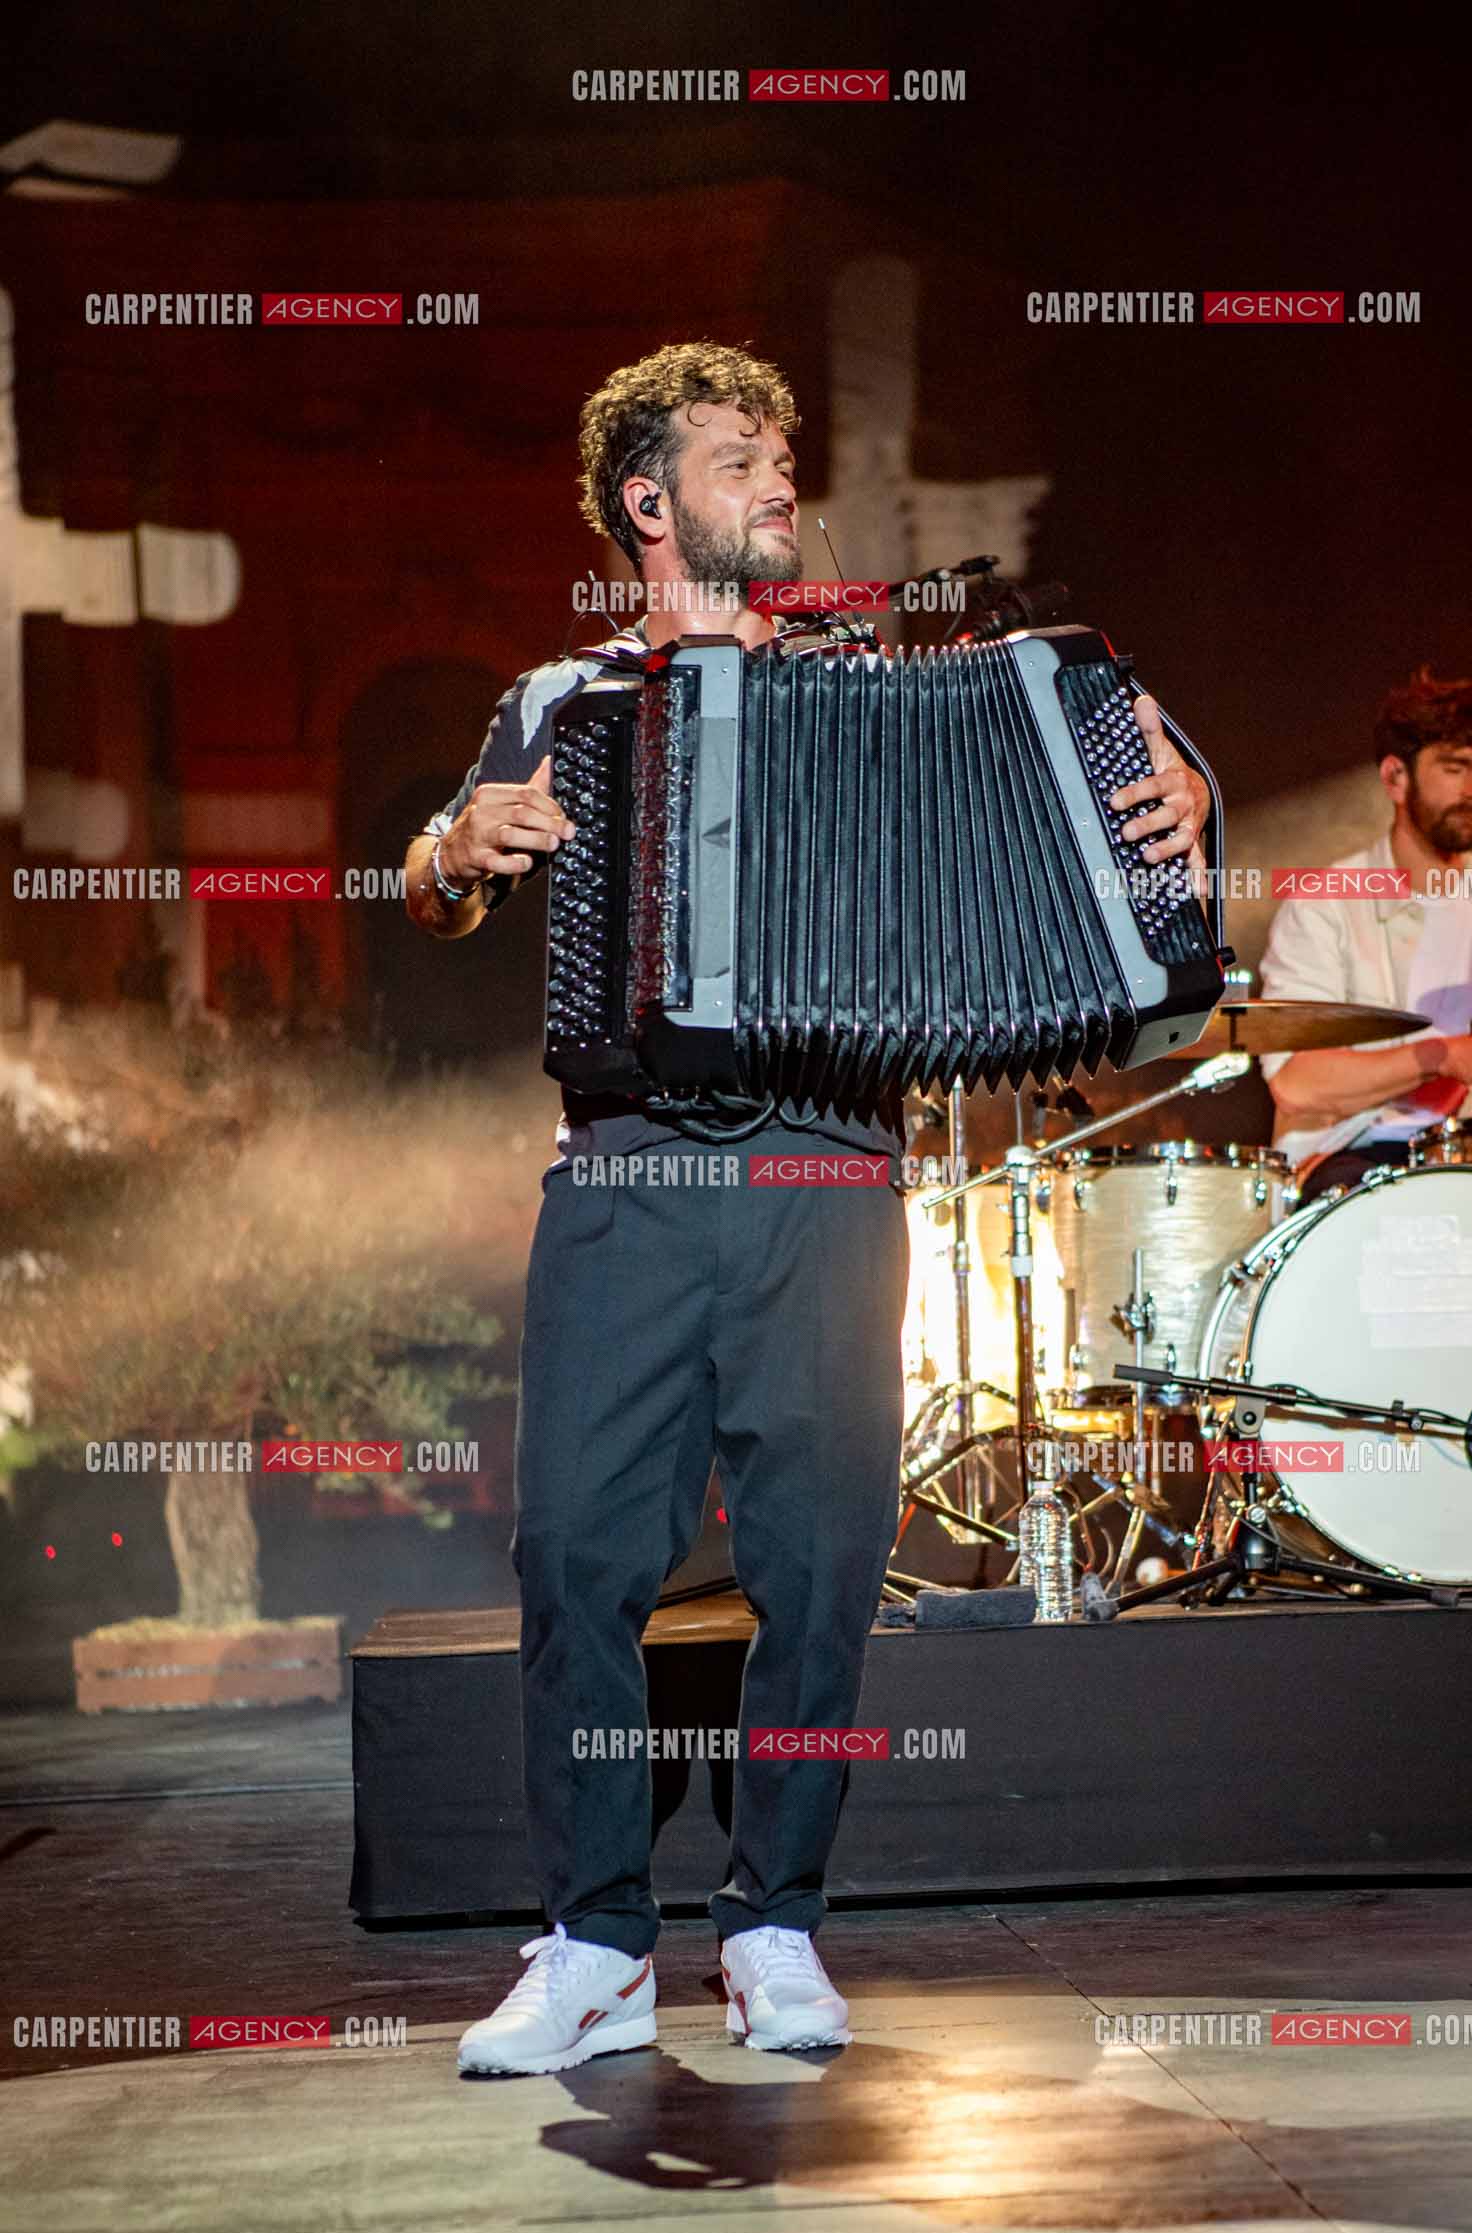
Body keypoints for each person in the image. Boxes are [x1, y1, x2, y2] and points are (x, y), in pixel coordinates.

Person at [405, 341, 1212, 2077]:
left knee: (824, 1561)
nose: (784, 483)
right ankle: (599, 1940)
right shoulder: (568, 695)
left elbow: (1103, 773)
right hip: (627, 1176)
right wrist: (459, 849)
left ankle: (774, 1924)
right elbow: (431, 878)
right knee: (575, 1555)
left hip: (832, 1168)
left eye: (784, 458)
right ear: (649, 500)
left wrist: (1183, 797)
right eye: (742, 460)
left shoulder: (883, 683)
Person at [1259, 669, 1472, 1204]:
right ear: (1395, 778)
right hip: (1345, 1167)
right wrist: (1439, 1055)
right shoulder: (1325, 905)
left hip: (1470, 1163)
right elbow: (1297, 1083)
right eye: (1455, 768)